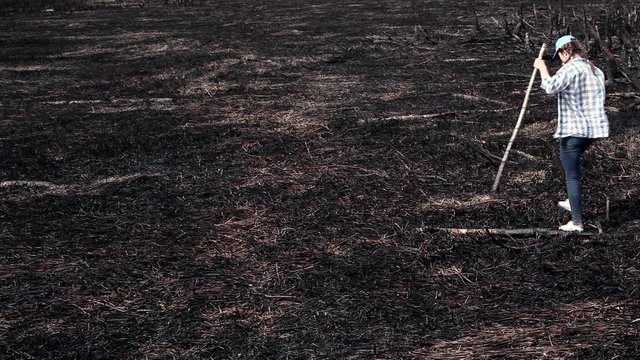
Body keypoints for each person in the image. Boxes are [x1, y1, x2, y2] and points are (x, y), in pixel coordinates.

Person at [533, 35, 609, 232]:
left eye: (559, 56)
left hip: (574, 130)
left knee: (572, 175)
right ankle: (571, 200)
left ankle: (576, 222)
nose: (559, 60)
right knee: (565, 161)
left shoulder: (571, 68)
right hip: (592, 131)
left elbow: (550, 88)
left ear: (565, 51)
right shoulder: (595, 69)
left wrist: (542, 68)